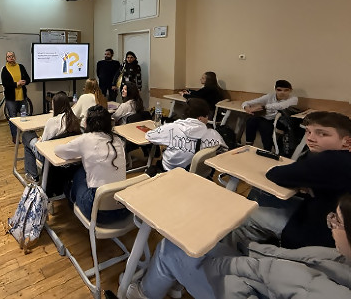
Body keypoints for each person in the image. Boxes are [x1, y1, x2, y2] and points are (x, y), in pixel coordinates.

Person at [125, 193, 351, 299]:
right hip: (256, 269)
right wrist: (249, 249)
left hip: (240, 287)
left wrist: (220, 270)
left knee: (172, 248)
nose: (330, 224)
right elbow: (285, 259)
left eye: (337, 221)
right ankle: (173, 280)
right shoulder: (339, 257)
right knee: (199, 244)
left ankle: (143, 294)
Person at [227, 111, 351, 251]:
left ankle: (232, 253)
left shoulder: (332, 160)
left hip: (315, 234)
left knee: (245, 214)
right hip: (321, 214)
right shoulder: (341, 158)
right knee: (262, 196)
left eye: (322, 134)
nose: (310, 138)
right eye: (308, 132)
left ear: (347, 141)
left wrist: (303, 179)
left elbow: (276, 174)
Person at [55, 105, 128, 224]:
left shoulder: (86, 139)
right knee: (86, 171)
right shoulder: (118, 140)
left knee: (78, 173)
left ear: (87, 122)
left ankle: (70, 198)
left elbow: (59, 151)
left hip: (98, 212)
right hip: (123, 208)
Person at [145, 98, 225, 172]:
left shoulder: (171, 128)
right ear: (200, 118)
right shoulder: (213, 134)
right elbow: (224, 150)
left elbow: (149, 136)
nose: (208, 119)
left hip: (169, 170)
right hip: (196, 174)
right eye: (207, 116)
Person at [21, 92, 81, 184]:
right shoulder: (74, 119)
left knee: (26, 136)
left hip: (49, 157)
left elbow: (42, 145)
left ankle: (33, 176)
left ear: (56, 106)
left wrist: (39, 140)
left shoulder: (52, 121)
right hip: (68, 154)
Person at [241, 79, 298, 150]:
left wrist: (263, 107)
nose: (282, 92)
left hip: (281, 121)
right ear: (275, 89)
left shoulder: (293, 99)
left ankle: (267, 150)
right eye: (279, 90)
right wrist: (247, 108)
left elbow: (281, 106)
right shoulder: (270, 96)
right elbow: (247, 102)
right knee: (251, 120)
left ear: (290, 90)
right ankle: (248, 145)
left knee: (265, 126)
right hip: (267, 118)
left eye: (286, 90)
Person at [1, 51, 31, 143]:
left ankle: (27, 136)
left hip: (22, 97)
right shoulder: (5, 69)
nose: (11, 58)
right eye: (9, 56)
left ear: (15, 57)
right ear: (6, 59)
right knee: (13, 118)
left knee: (24, 116)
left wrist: (25, 82)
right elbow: (5, 83)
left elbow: (28, 79)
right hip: (11, 98)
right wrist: (16, 84)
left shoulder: (20, 67)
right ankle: (15, 137)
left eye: (12, 56)